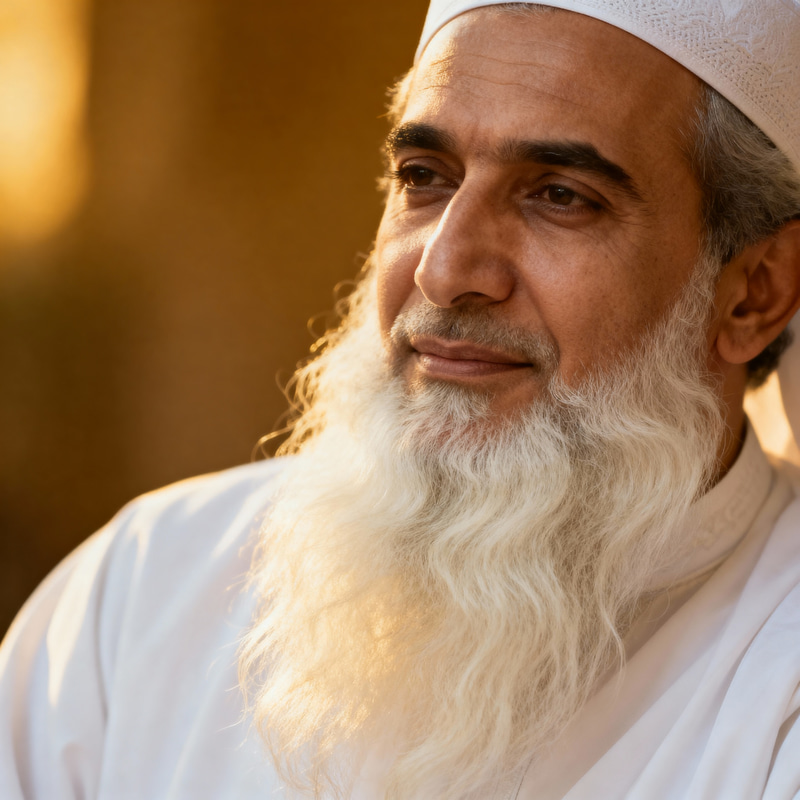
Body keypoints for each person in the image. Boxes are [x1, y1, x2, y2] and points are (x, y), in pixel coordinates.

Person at [2, 1, 800, 797]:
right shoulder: (145, 595)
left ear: (752, 294)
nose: (444, 270)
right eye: (424, 179)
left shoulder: (779, 687)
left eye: (560, 195)